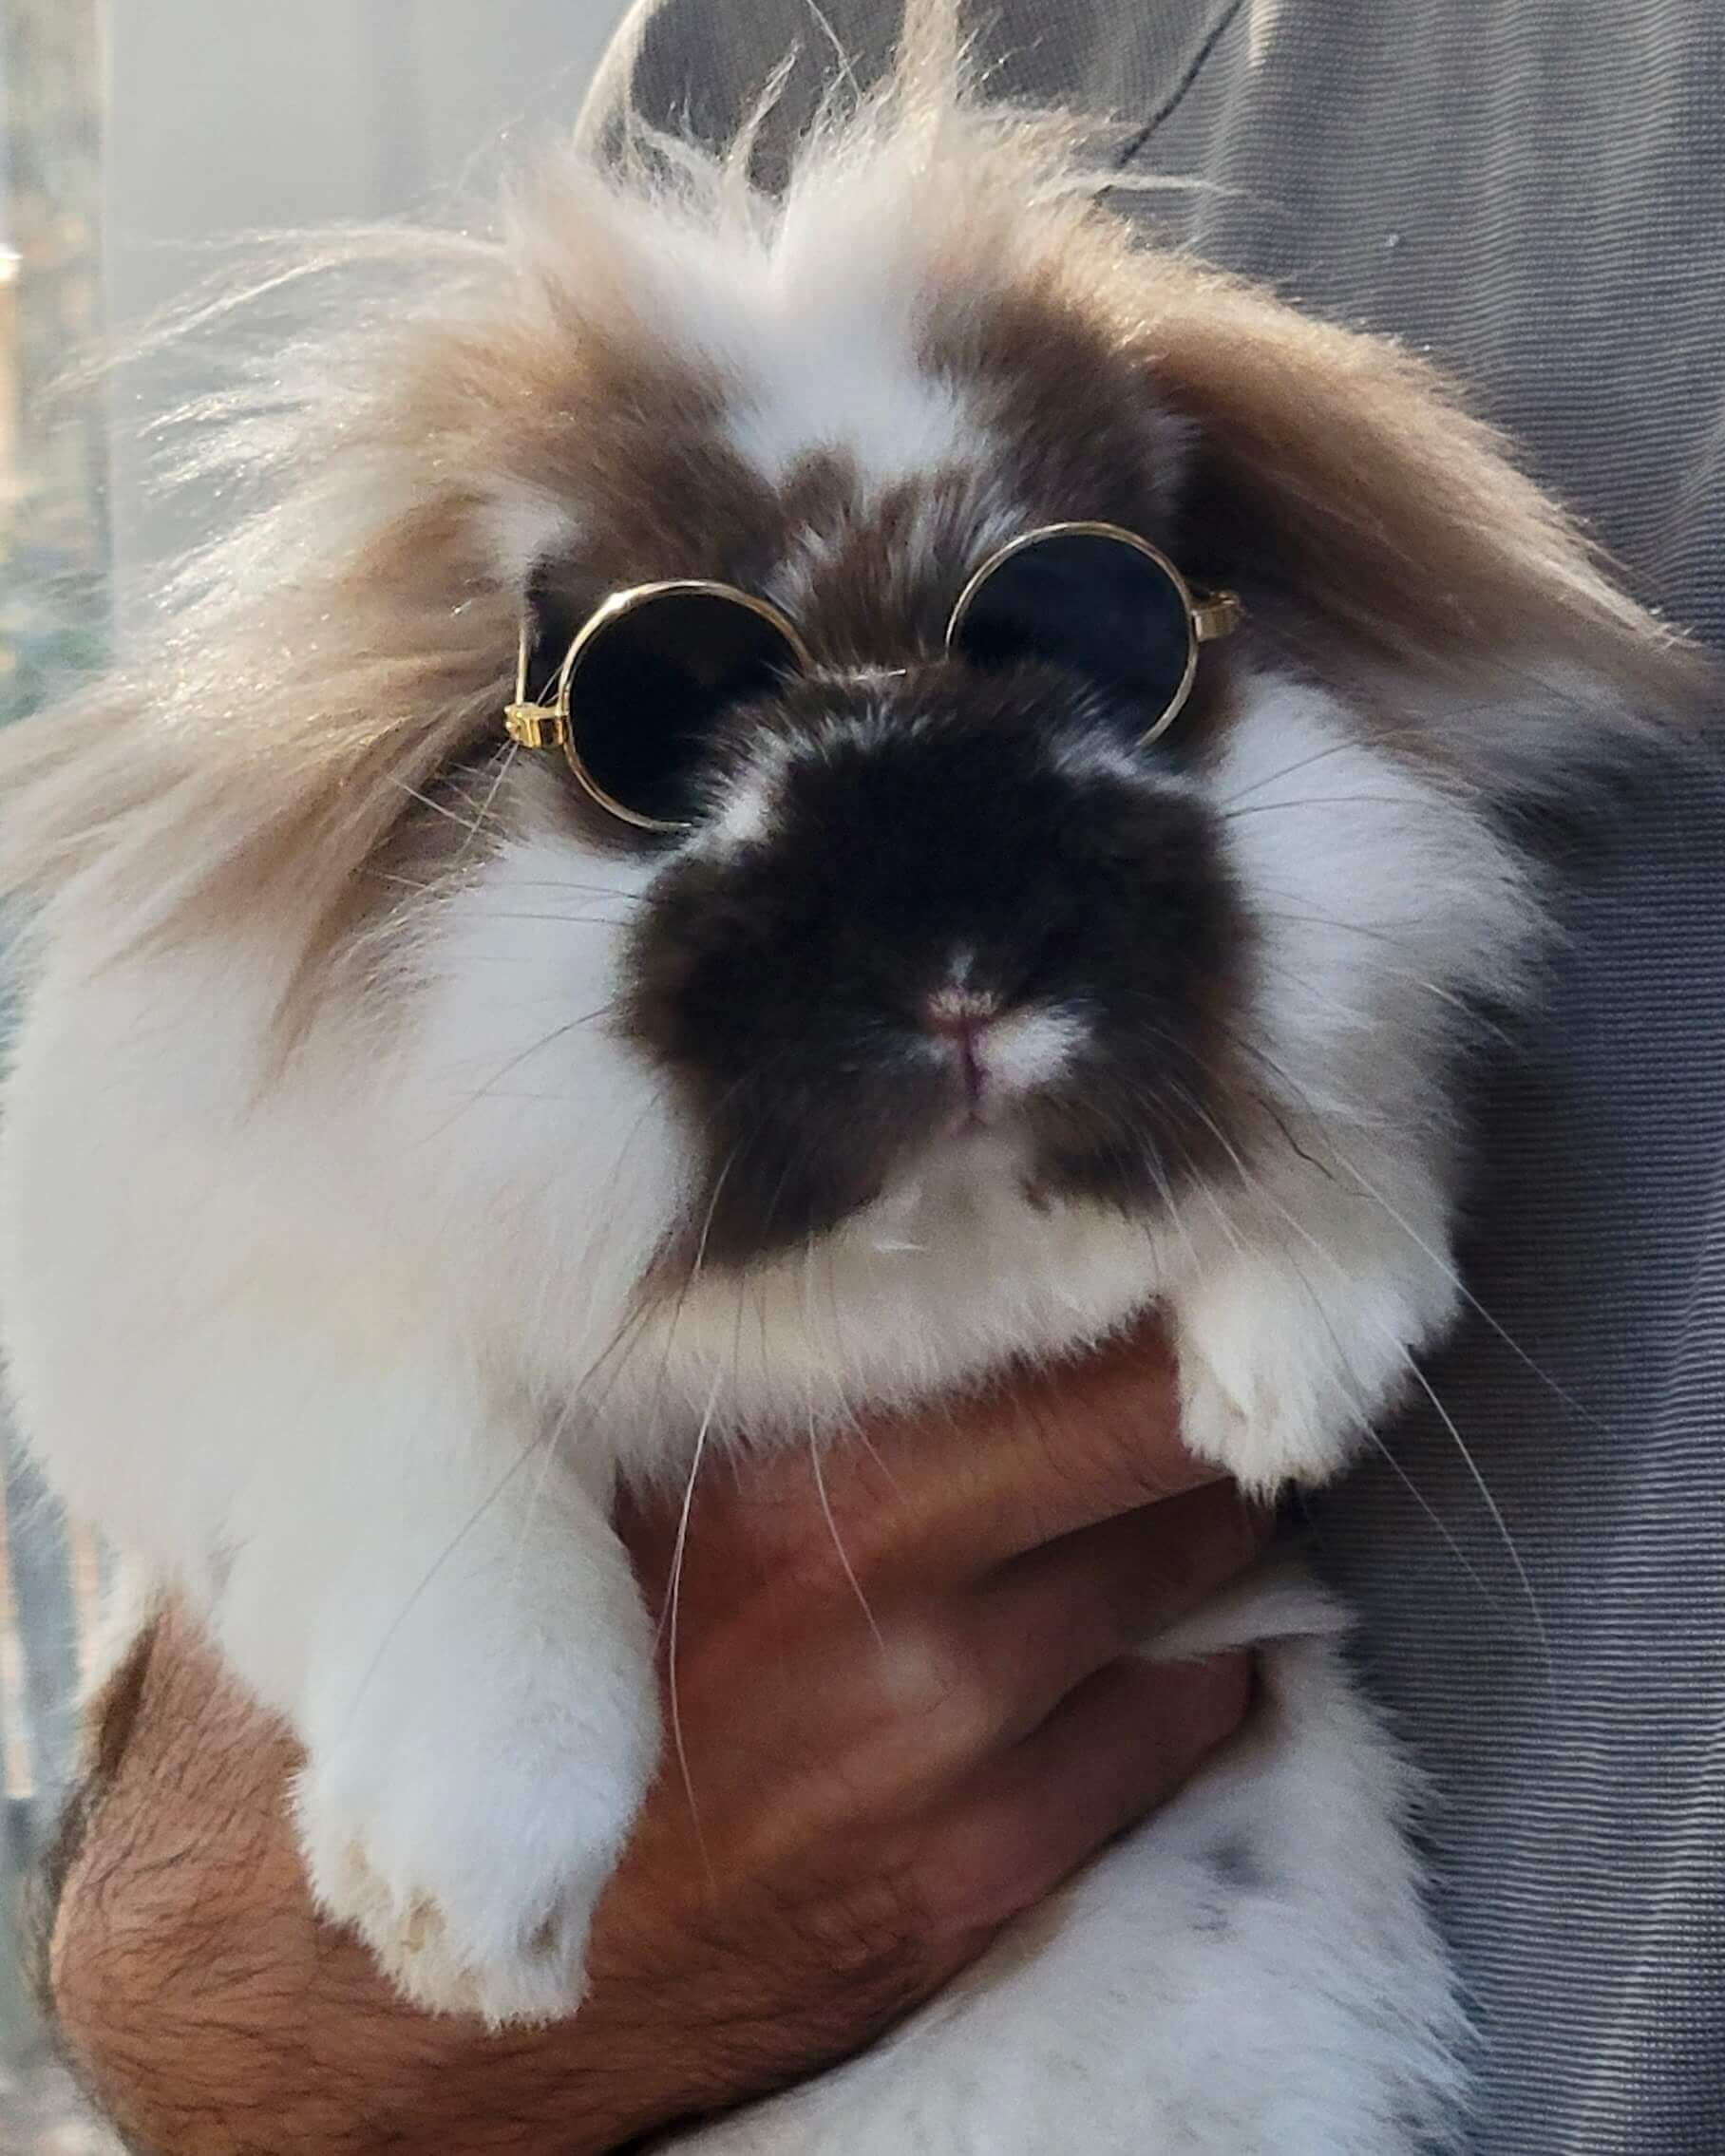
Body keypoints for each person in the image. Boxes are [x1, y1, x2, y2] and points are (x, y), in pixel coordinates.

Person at [46, 4, 1725, 2151]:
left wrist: (1323, 1169)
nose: (943, 989)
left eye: (1089, 650)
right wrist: (429, 1623)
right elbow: (166, 1298)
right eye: (659, 720)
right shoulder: (760, 55)